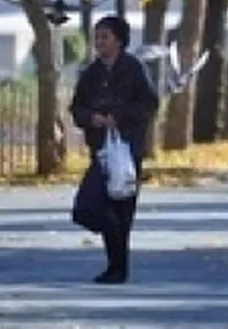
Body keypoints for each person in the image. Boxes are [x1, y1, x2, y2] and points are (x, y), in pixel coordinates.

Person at [69, 15, 160, 284]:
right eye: (97, 37)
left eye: (105, 37)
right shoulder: (91, 73)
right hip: (101, 150)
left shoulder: (133, 68)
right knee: (87, 207)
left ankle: (117, 268)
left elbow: (149, 103)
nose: (100, 42)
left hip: (127, 150)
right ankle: (115, 238)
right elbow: (77, 108)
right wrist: (92, 118)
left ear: (119, 40)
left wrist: (119, 116)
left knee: (122, 208)